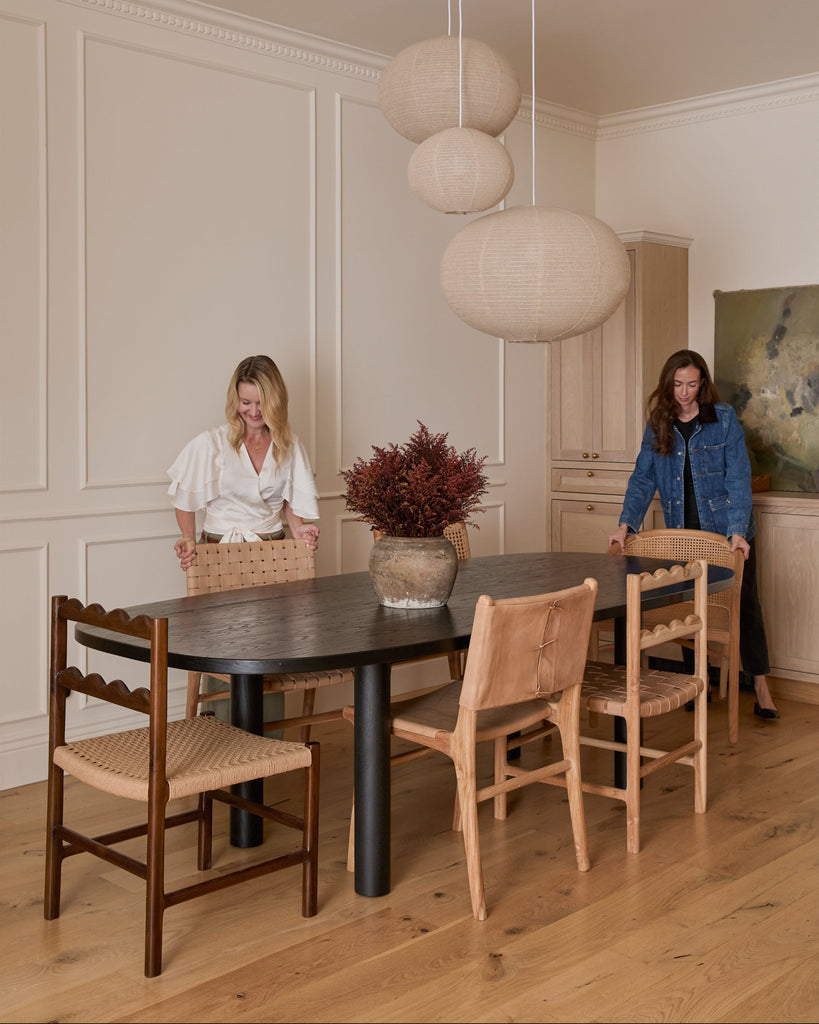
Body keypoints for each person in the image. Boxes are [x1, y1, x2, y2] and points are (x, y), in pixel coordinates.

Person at [607, 348, 779, 719]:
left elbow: (737, 478)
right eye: (678, 384)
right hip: (682, 532)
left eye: (692, 384)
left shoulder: (724, 419)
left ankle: (761, 686)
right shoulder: (658, 423)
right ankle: (695, 681)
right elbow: (642, 478)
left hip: (727, 534)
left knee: (743, 606)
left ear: (703, 385)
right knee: (686, 604)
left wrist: (736, 532)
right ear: (668, 384)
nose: (684, 392)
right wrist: (626, 525)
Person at [167, 355, 320, 571]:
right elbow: (184, 497)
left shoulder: (290, 445)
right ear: (235, 399)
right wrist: (189, 538)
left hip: (274, 554)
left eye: (262, 403)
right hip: (216, 552)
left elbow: (290, 499)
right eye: (246, 402)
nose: (254, 411)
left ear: (276, 401)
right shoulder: (211, 443)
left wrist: (298, 530)